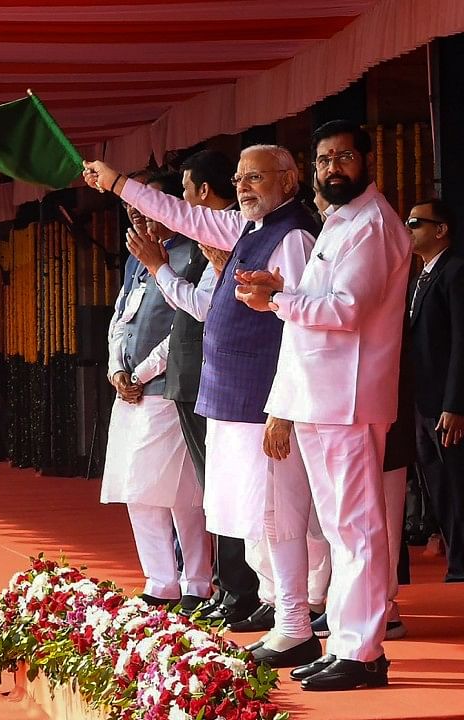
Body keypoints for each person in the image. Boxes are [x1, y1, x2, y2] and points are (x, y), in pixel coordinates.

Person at [103, 148, 325, 667]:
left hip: (266, 403)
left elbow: (300, 330)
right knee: (256, 514)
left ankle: (296, 622)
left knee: (283, 514)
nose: (244, 187)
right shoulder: (249, 230)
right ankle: (285, 615)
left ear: (289, 181)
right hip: (234, 401)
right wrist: (118, 185)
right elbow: (184, 215)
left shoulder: (291, 237)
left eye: (256, 178)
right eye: (240, 178)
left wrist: (285, 406)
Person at [236, 120, 412, 690]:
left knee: (357, 528)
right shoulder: (341, 222)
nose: (333, 168)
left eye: (343, 157)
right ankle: (346, 642)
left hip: (349, 396)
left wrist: (278, 297)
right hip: (319, 395)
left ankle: (363, 654)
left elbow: (346, 310)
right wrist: (278, 292)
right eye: (323, 160)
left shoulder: (373, 224)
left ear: (366, 160)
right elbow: (317, 306)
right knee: (339, 529)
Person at [98, 170, 212, 613]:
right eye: (130, 209)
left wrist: (142, 373)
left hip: (165, 386)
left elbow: (185, 326)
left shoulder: (190, 253)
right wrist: (116, 367)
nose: (137, 216)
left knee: (178, 490)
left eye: (145, 206)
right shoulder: (133, 256)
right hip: (129, 389)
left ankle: (197, 580)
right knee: (136, 487)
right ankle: (159, 579)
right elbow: (120, 316)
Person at [405, 198, 464, 582]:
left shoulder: (456, 272)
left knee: (457, 484)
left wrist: (455, 404)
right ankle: (456, 560)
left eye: (415, 223)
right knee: (438, 486)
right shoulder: (419, 276)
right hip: (420, 402)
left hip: (445, 404)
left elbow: (462, 341)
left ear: (440, 229)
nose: (408, 230)